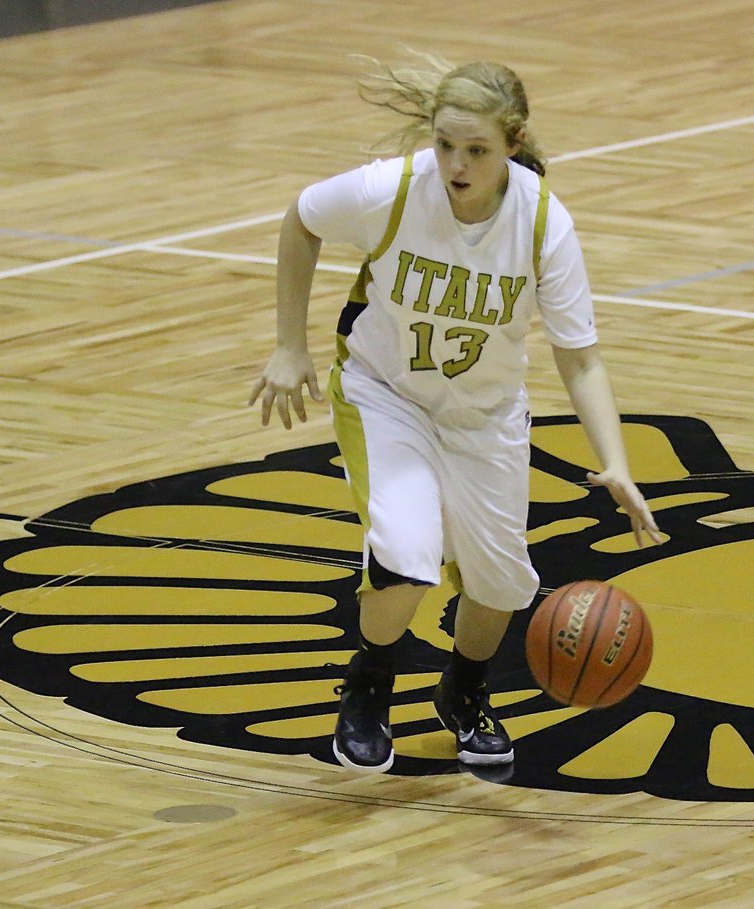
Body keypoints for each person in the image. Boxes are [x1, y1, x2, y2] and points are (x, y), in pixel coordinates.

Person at [248, 55, 662, 773]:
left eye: (476, 150)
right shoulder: (396, 190)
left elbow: (580, 355)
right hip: (386, 393)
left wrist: (617, 460)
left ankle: (463, 692)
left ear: (512, 143)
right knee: (405, 556)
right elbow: (302, 218)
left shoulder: (542, 222)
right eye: (445, 145)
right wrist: (289, 344)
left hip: (486, 413)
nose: (456, 165)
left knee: (501, 582)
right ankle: (369, 685)